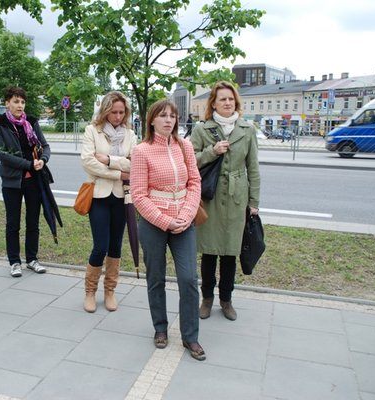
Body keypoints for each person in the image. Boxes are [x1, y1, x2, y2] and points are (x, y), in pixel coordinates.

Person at [131, 99, 205, 361]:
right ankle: (160, 329)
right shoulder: (142, 151)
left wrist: (185, 215)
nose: (168, 120)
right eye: (162, 116)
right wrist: (165, 221)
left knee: (188, 278)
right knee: (156, 278)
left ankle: (190, 336)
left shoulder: (185, 146)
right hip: (154, 223)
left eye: (172, 116)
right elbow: (139, 195)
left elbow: (195, 182)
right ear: (151, 120)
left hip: (184, 222)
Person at [190, 81, 260, 321]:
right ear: (213, 103)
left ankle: (226, 300)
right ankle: (207, 299)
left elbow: (254, 169)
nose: (227, 103)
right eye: (222, 99)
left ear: (236, 101)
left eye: (231, 99)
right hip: (210, 196)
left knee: (230, 252)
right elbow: (190, 161)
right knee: (209, 252)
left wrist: (254, 202)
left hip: (236, 199)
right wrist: (212, 151)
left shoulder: (247, 130)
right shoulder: (202, 130)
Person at [81, 91, 137, 313]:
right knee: (100, 246)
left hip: (122, 198)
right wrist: (118, 173)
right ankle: (90, 291)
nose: (117, 116)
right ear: (105, 111)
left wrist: (110, 160)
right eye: (113, 112)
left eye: (122, 112)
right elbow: (88, 162)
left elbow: (134, 164)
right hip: (99, 196)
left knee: (115, 246)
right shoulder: (91, 131)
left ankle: (110, 291)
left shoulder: (130, 135)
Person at [0, 86, 50, 278]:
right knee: (13, 223)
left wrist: (44, 160)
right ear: (7, 103)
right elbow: (1, 154)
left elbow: (45, 146)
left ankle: (32, 259)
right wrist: (28, 164)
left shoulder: (31, 122)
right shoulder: (0, 122)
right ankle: (14, 261)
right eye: (16, 101)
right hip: (12, 181)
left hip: (34, 180)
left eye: (22, 101)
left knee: (33, 222)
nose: (20, 105)